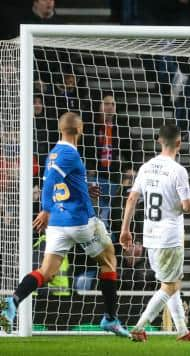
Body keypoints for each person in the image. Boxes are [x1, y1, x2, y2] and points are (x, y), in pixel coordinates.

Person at [0, 112, 128, 337]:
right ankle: (110, 318)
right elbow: (50, 182)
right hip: (79, 221)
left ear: (61, 129)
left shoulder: (54, 153)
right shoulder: (69, 154)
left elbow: (62, 183)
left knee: (46, 271)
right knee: (109, 259)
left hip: (58, 224)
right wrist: (46, 208)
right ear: (80, 129)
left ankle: (13, 301)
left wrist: (84, 190)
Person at [120, 124, 190, 342]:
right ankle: (139, 327)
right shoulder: (178, 171)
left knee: (170, 281)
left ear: (159, 141)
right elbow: (187, 206)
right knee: (171, 285)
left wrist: (125, 229)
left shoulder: (146, 167)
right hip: (169, 236)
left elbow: (132, 199)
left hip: (150, 236)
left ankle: (182, 330)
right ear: (179, 144)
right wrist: (186, 203)